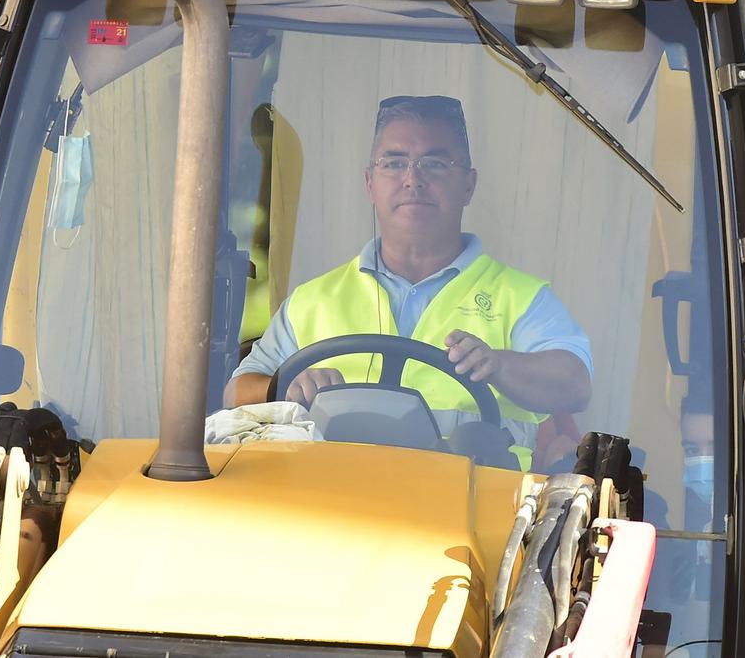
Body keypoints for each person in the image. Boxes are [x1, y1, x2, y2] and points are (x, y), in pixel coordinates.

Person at [226, 94, 592, 453]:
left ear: (469, 185)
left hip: (474, 504)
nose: (412, 179)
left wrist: (498, 364)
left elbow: (575, 384)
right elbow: (236, 393)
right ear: (370, 183)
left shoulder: (522, 297)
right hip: (327, 500)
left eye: (434, 164)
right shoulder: (312, 301)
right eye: (394, 162)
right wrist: (285, 386)